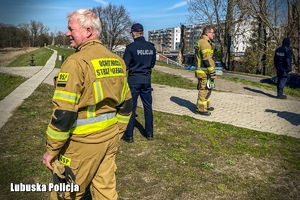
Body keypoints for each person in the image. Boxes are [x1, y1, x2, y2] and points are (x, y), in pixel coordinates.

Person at [42, 8, 132, 199]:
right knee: (105, 191)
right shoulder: (117, 61)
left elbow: (63, 114)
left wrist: (51, 150)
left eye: (71, 29)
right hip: (109, 139)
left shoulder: (75, 62)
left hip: (81, 144)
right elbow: (126, 104)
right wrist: (117, 134)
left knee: (65, 193)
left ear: (88, 31)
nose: (67, 34)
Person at [122, 23, 156, 143]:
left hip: (134, 81)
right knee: (148, 107)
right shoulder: (151, 47)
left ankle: (129, 135)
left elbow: (124, 65)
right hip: (146, 81)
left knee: (132, 108)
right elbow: (152, 64)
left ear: (134, 33)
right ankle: (149, 133)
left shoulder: (131, 47)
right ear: (142, 32)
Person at [194, 25, 216, 116]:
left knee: (208, 88)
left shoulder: (203, 42)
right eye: (212, 32)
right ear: (207, 33)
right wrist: (212, 72)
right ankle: (201, 109)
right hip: (205, 71)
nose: (213, 34)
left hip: (202, 71)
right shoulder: (205, 43)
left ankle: (206, 105)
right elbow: (206, 59)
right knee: (204, 89)